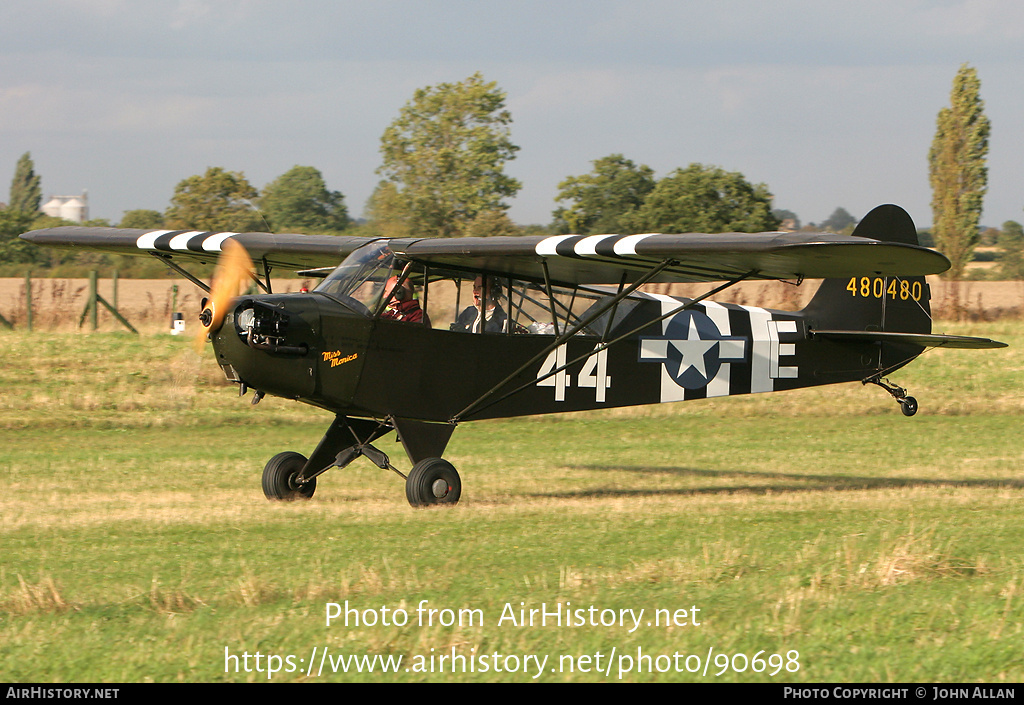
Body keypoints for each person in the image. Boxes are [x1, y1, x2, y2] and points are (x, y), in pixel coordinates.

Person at [452, 275, 517, 333]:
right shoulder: (468, 313)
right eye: (474, 287)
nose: (475, 291)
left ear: (493, 292)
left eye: (480, 288)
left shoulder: (503, 322)